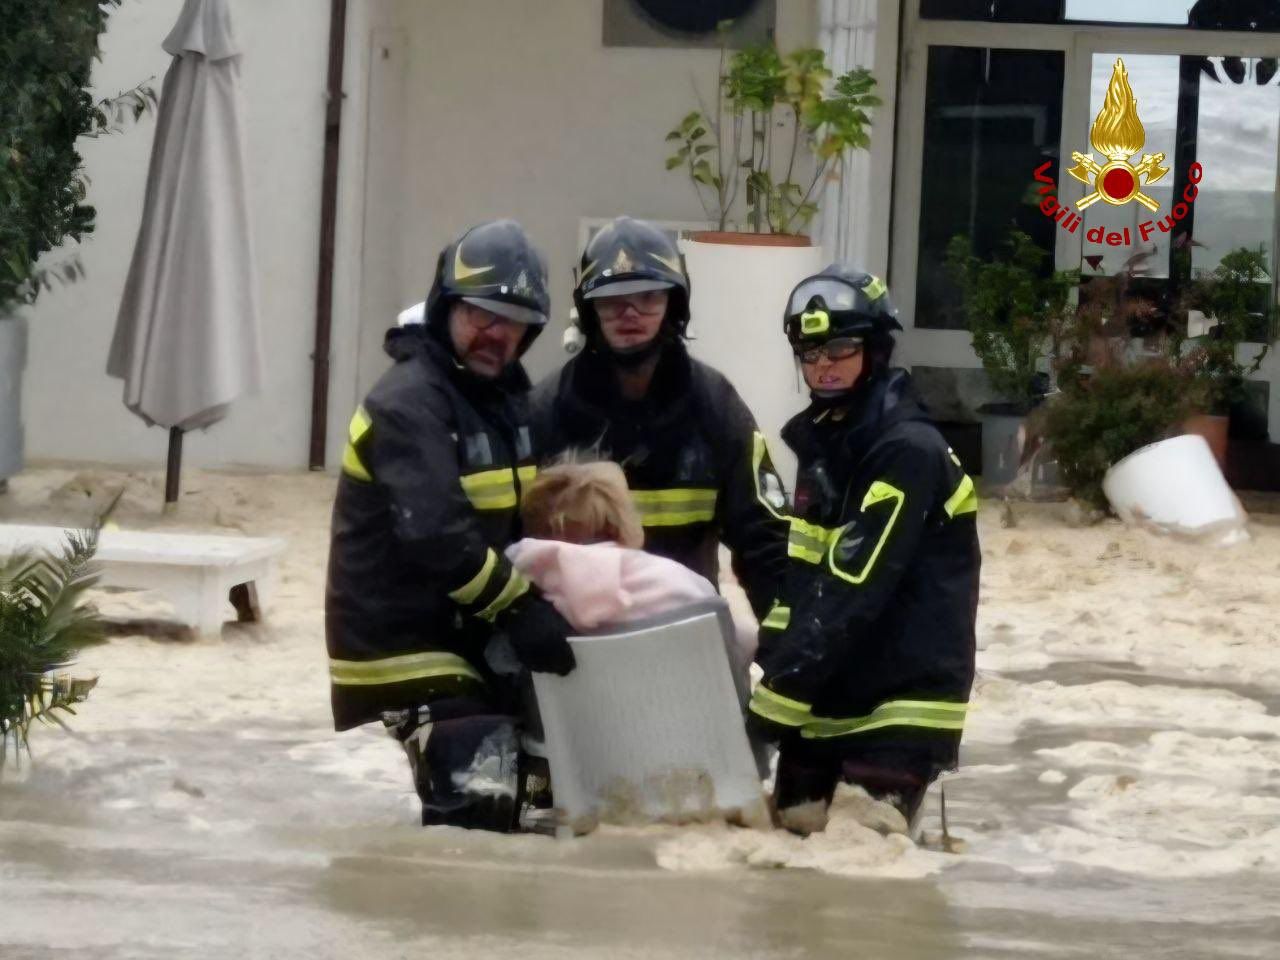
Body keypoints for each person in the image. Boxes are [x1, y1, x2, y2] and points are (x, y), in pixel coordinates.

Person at [325, 219, 576, 832]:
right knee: (480, 812)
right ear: (446, 307)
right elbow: (436, 535)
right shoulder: (408, 401)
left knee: (546, 800)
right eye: (481, 314)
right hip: (405, 645)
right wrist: (521, 608)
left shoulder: (505, 399)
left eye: (514, 322)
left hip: (472, 635)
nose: (498, 333)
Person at [746, 265, 980, 835]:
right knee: (788, 838)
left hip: (899, 706)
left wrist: (775, 698)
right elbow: (804, 578)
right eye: (810, 353)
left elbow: (853, 584)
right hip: (828, 696)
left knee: (861, 851)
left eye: (840, 349)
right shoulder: (825, 443)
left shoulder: (908, 450)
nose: (823, 366)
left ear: (875, 350)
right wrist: (773, 657)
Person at [531, 217, 790, 635]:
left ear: (675, 304)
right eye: (612, 300)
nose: (630, 313)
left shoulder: (716, 405)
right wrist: (527, 615)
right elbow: (514, 537)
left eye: (648, 297)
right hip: (577, 640)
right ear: (589, 311)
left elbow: (765, 538)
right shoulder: (548, 410)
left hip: (686, 632)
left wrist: (782, 640)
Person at [508, 457, 757, 675]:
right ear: (622, 523)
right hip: (693, 708)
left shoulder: (527, 591)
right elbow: (738, 645)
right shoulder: (678, 582)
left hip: (589, 715)